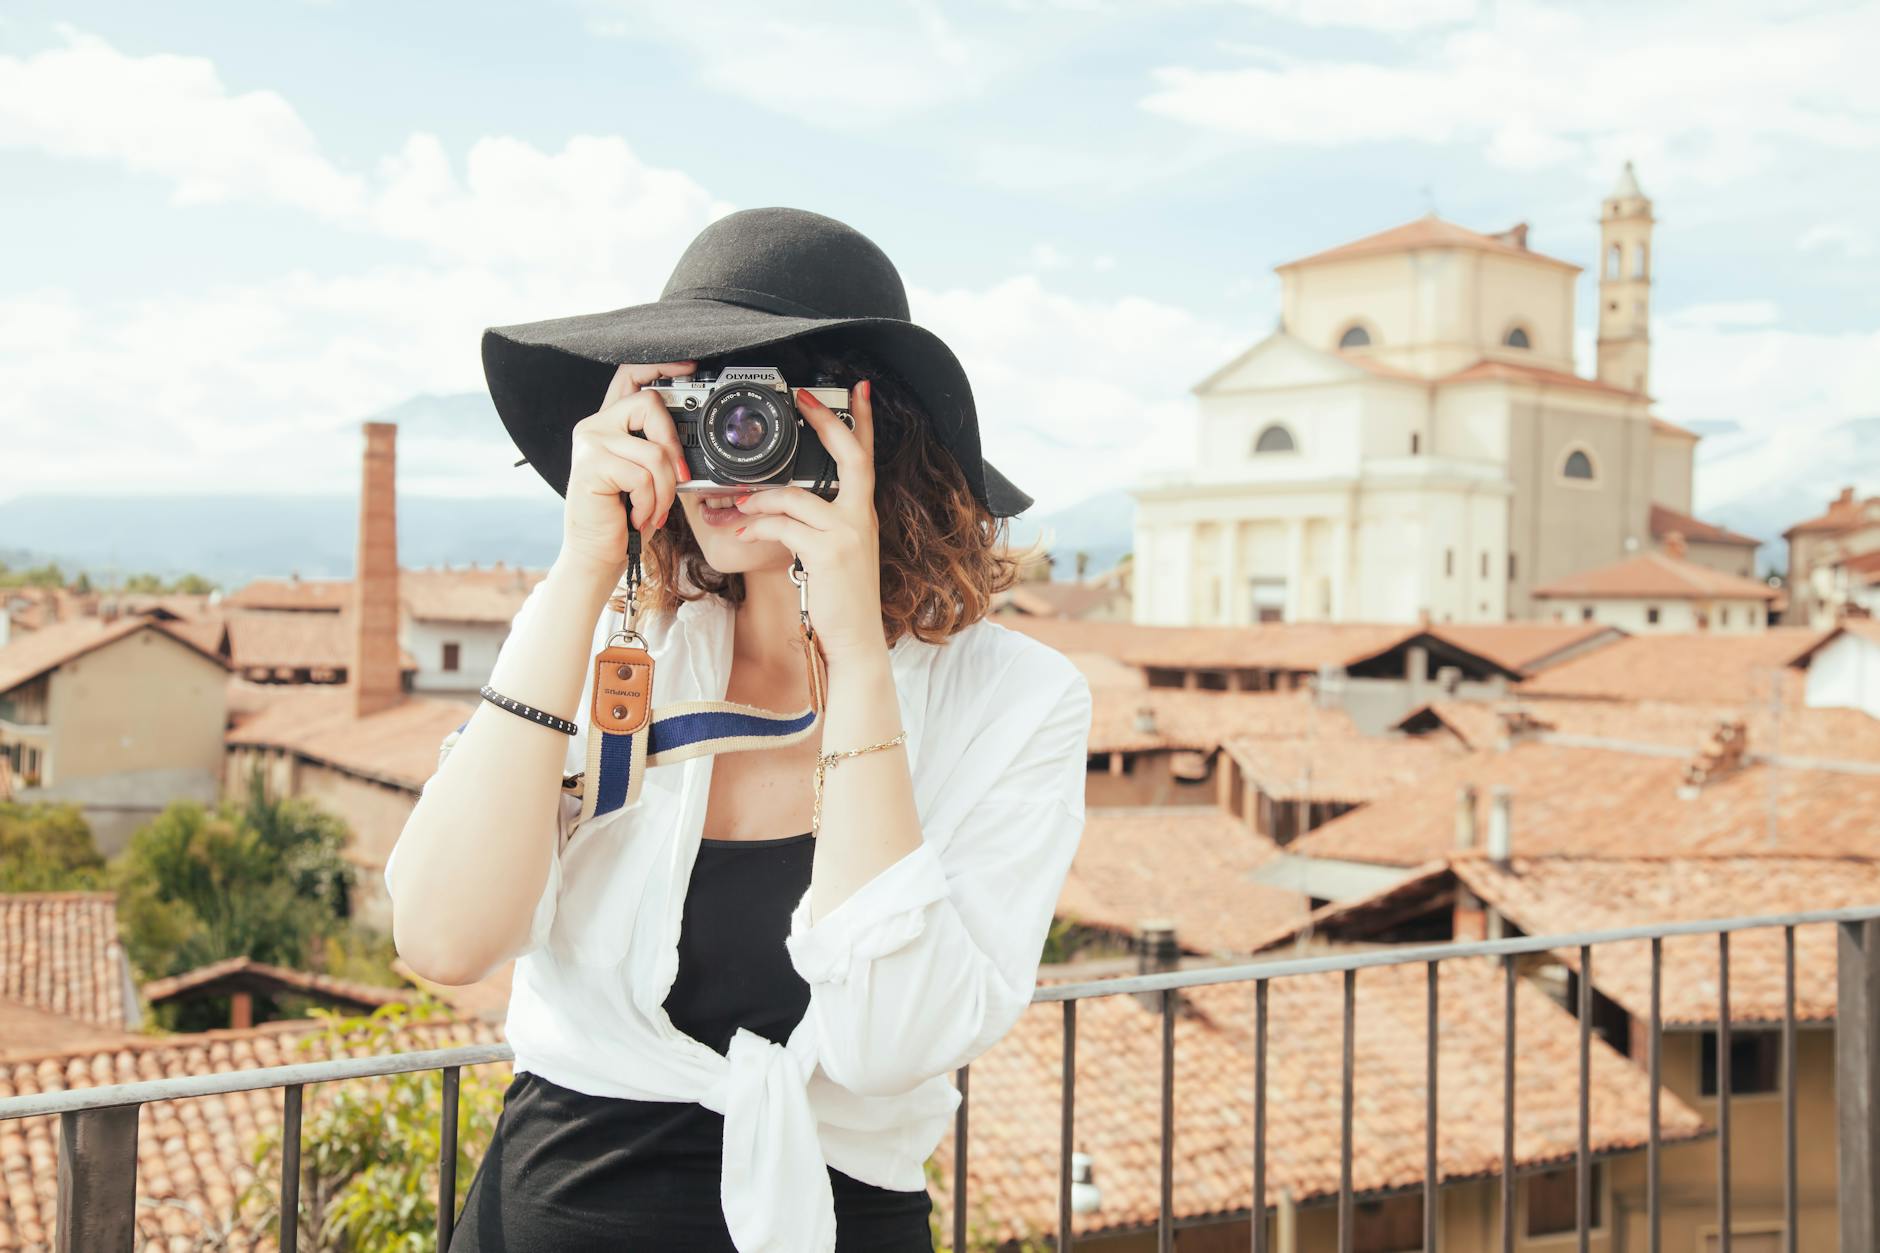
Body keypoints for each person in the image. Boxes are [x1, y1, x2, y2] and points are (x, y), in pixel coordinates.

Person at [384, 207, 1094, 1252]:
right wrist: (582, 567)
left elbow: (887, 1041)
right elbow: (443, 938)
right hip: (554, 1208)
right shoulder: (612, 640)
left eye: (761, 403)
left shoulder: (1017, 700)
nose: (726, 443)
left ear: (872, 428)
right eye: (691, 400)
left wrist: (853, 655)